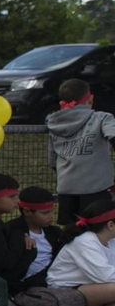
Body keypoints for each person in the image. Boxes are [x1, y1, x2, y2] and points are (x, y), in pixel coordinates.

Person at [45, 78, 115, 227]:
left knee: (71, 232)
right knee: (99, 231)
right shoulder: (102, 118)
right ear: (90, 98)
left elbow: (52, 160)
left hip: (66, 188)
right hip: (96, 188)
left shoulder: (54, 122)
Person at [45, 198, 115, 306]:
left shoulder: (110, 241)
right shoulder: (85, 242)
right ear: (110, 225)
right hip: (65, 292)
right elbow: (105, 276)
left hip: (90, 285)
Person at [8, 187, 64, 290]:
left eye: (52, 211)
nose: (51, 216)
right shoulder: (11, 230)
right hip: (24, 283)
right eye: (45, 213)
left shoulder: (54, 233)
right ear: (27, 212)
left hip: (52, 278)